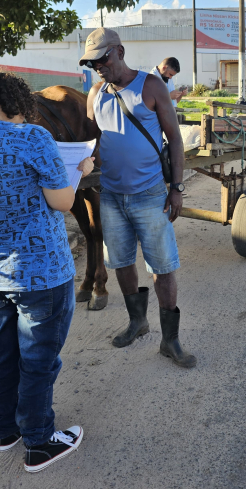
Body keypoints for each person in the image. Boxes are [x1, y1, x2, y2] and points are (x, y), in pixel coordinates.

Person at [0, 71, 94, 473]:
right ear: (14, 100)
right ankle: (39, 440)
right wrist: (80, 168)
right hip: (41, 272)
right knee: (39, 358)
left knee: (1, 354)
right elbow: (63, 201)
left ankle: (5, 431)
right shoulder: (33, 137)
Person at [82, 28, 196, 368]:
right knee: (120, 262)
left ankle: (170, 340)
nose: (98, 66)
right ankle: (137, 321)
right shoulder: (95, 93)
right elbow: (93, 141)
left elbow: (175, 139)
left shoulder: (151, 85)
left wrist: (175, 188)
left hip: (149, 195)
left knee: (162, 268)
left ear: (119, 51)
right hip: (112, 196)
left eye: (102, 58)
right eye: (91, 62)